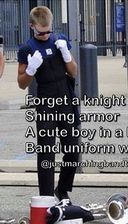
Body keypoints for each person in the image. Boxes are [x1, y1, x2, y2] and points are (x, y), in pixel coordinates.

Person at [17, 6, 79, 201]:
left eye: (48, 31)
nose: (45, 35)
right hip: (46, 100)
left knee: (72, 149)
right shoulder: (27, 48)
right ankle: (45, 198)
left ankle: (62, 188)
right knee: (46, 152)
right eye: (40, 32)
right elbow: (21, 83)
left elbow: (73, 72)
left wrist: (66, 55)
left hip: (65, 97)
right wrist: (30, 71)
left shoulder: (59, 40)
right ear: (31, 26)